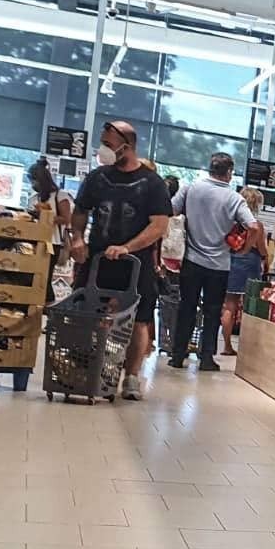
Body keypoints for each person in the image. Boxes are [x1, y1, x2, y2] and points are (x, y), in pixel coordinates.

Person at [70, 120, 171, 400]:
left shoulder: (152, 184)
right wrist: (77, 238)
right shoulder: (97, 178)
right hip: (97, 260)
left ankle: (132, 377)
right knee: (87, 311)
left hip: (136, 264)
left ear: (127, 145)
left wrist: (128, 247)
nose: (104, 149)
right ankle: (87, 365)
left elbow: (159, 225)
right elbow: (80, 212)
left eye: (108, 143)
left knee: (139, 319)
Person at [167, 153, 261, 371]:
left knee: (187, 307)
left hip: (191, 260)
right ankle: (206, 357)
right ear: (229, 172)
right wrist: (244, 250)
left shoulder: (191, 188)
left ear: (210, 168)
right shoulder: (234, 198)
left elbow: (169, 210)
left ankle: (178, 354)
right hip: (219, 265)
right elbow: (254, 227)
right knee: (212, 311)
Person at [221, 187, 270, 356]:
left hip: (231, 262)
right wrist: (266, 258)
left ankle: (226, 345)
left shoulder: (231, 223)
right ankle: (248, 349)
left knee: (229, 305)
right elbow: (263, 250)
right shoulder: (257, 225)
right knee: (250, 306)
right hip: (251, 263)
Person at [27, 157, 73, 303]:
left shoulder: (60, 196)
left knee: (44, 276)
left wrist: (46, 217)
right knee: (33, 274)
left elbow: (66, 219)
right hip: (34, 240)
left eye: (34, 181)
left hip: (53, 242)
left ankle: (48, 303)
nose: (32, 184)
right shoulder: (35, 198)